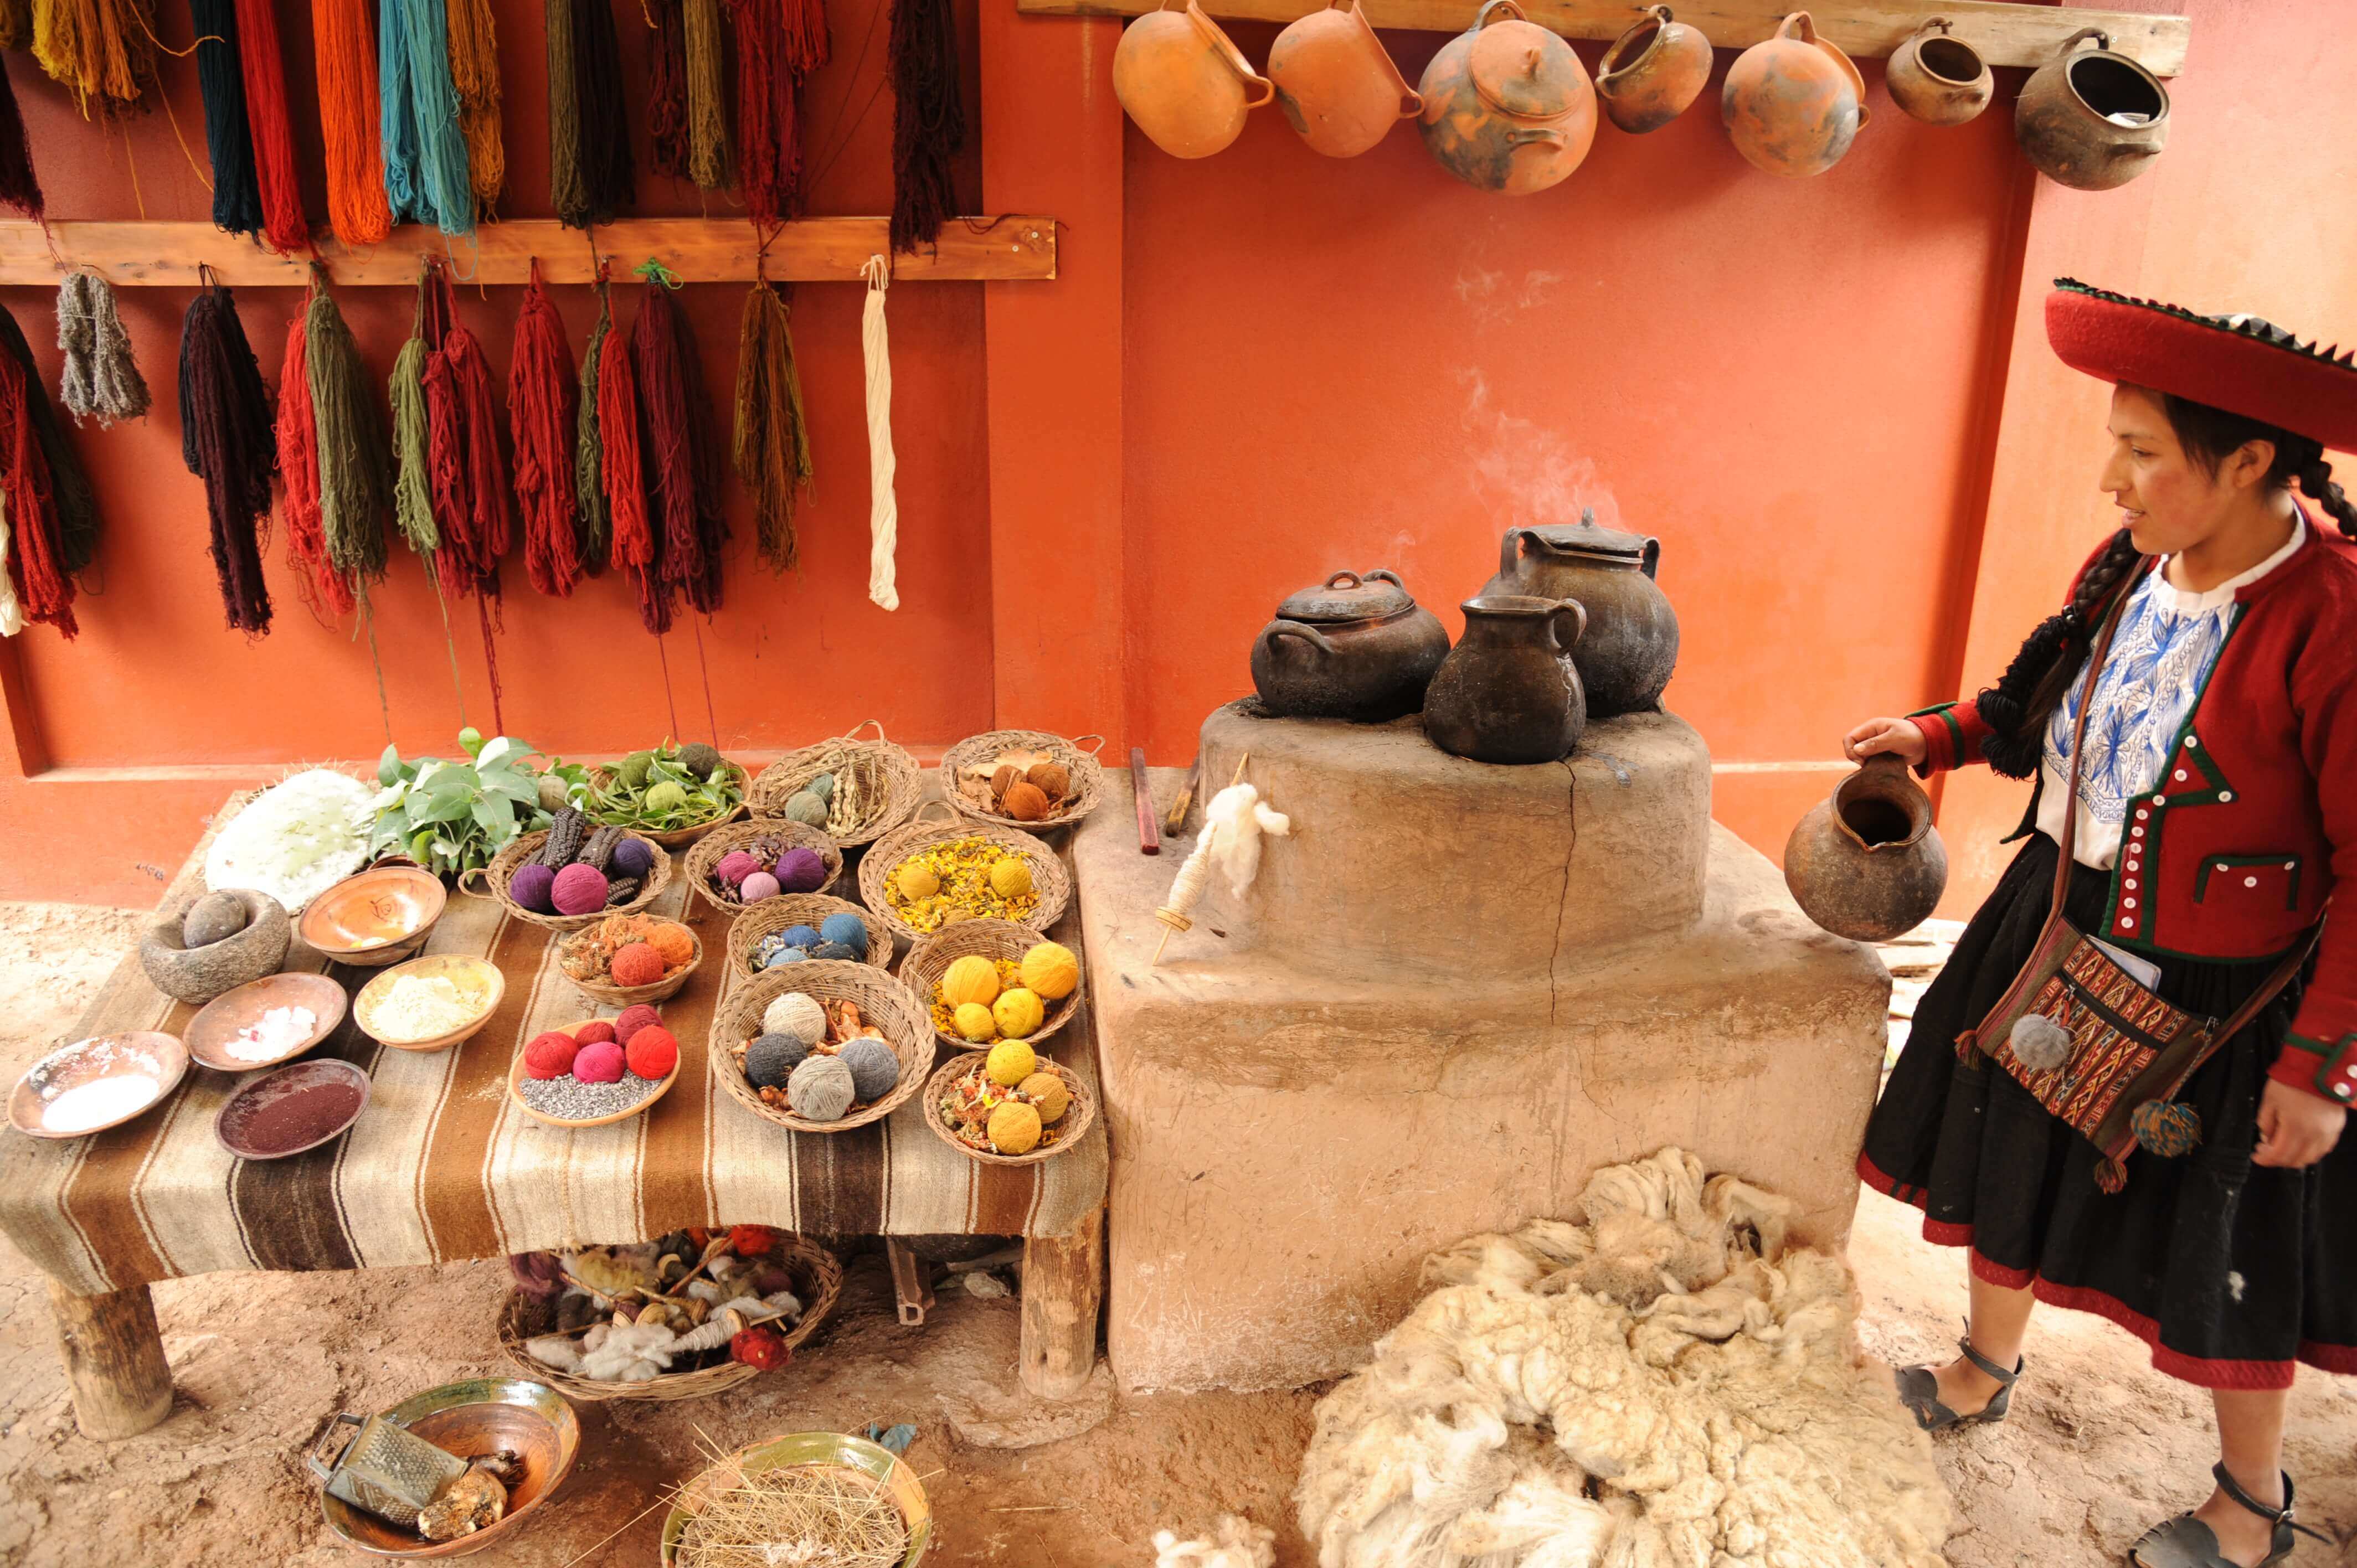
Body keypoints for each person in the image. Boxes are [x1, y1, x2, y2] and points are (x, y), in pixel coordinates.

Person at [1847, 279, 2357, 1568]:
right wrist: (1939, 736)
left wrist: (2318, 1069)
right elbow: (2034, 704)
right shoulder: (2132, 564)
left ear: (2247, 460)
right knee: (2004, 1155)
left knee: (2230, 1245)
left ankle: (2251, 1506)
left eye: (2139, 453)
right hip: (2058, 922)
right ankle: (1980, 1369)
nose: (2110, 483)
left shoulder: (2337, 620)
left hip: (2229, 994)